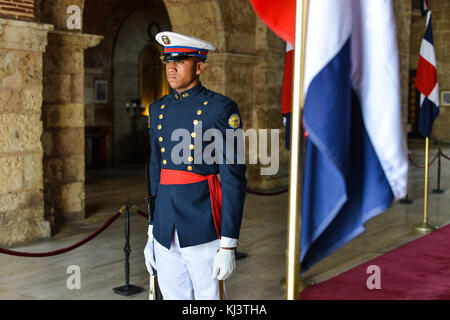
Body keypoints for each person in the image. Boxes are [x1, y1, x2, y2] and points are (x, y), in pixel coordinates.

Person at [143, 31, 247, 300]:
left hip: (202, 218)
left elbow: (233, 178)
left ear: (199, 66)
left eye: (180, 61)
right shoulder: (157, 109)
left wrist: (228, 244)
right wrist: (152, 228)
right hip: (165, 221)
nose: (171, 68)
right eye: (168, 62)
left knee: (208, 298)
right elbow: (155, 169)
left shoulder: (221, 108)